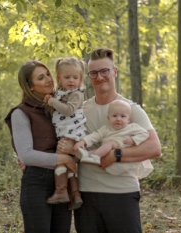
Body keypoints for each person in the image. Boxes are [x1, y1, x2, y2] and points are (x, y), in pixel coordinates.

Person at [58, 48, 161, 233]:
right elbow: (61, 135)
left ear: (115, 71)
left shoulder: (130, 109)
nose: (100, 77)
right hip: (86, 194)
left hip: (121, 193)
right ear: (89, 76)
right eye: (94, 73)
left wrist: (117, 155)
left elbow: (154, 147)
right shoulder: (81, 109)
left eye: (105, 71)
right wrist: (29, 157)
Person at [4, 60, 76, 233]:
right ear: (30, 86)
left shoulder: (59, 108)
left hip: (63, 184)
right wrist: (64, 159)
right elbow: (27, 155)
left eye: (48, 74)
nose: (49, 80)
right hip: (37, 184)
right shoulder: (21, 113)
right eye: (41, 78)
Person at [43, 57, 86, 210]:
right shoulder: (60, 93)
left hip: (72, 132)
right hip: (65, 132)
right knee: (68, 165)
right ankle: (75, 194)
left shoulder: (77, 94)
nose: (71, 81)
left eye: (75, 77)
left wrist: (52, 102)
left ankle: (61, 191)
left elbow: (68, 110)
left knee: (60, 161)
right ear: (59, 79)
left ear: (80, 79)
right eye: (67, 77)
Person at [73, 100, 154, 180]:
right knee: (99, 149)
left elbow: (144, 133)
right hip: (107, 158)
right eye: (114, 116)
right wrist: (83, 141)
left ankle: (95, 157)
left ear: (129, 119)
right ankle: (86, 155)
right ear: (108, 118)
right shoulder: (106, 129)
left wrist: (133, 140)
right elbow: (95, 135)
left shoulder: (132, 127)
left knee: (110, 143)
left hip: (122, 148)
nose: (118, 119)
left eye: (122, 116)